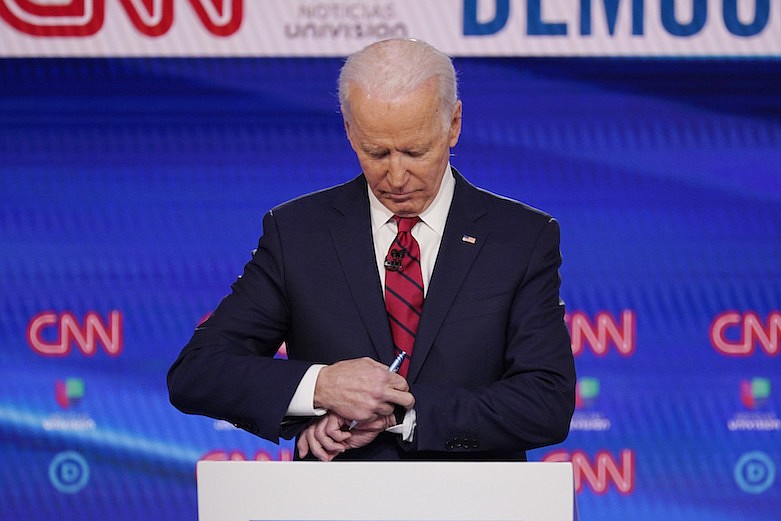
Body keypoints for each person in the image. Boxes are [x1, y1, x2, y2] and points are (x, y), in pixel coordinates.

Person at [167, 38, 575, 461]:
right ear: (348, 128)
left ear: (453, 124)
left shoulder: (521, 238)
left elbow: (546, 401)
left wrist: (403, 415)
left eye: (415, 151)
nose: (396, 176)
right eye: (375, 152)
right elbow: (198, 372)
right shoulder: (297, 234)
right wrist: (321, 386)